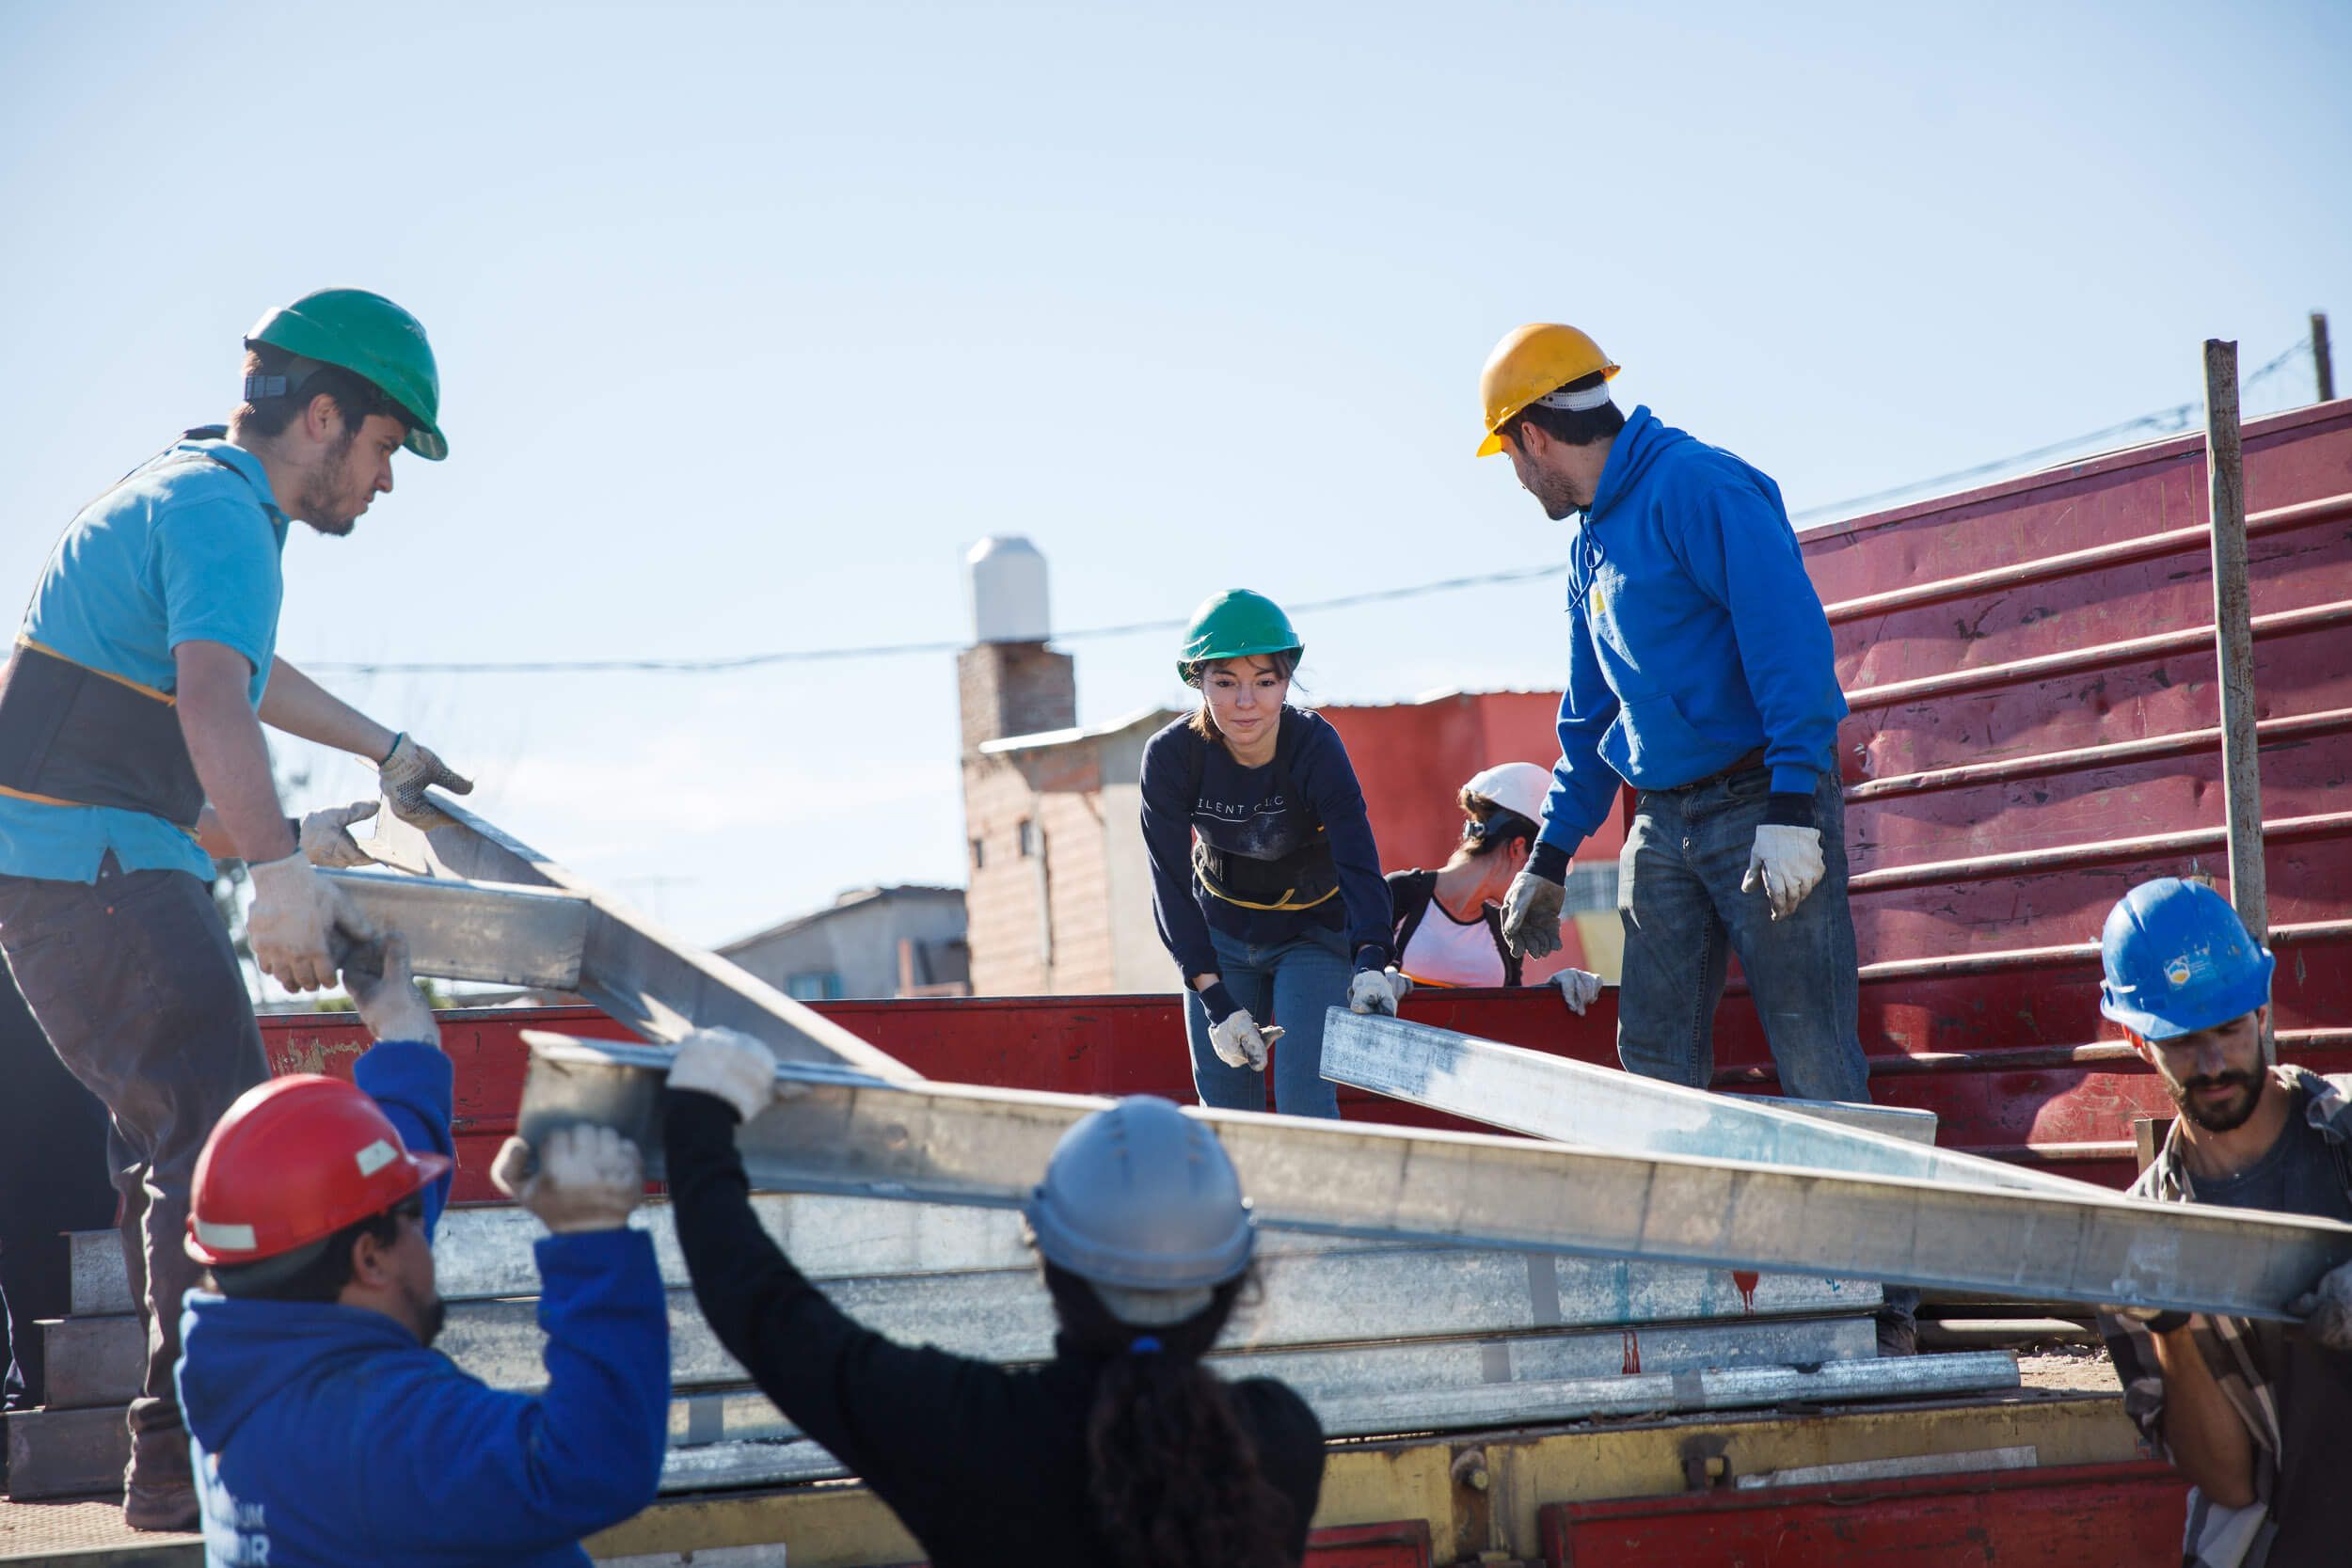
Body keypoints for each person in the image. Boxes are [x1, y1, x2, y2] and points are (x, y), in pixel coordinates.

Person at [0, 289, 474, 1528]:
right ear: (321, 415)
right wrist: (273, 867)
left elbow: (227, 679)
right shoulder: (222, 512)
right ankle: (183, 1462)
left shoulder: (191, 490)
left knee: (184, 1133)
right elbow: (213, 698)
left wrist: (385, 750)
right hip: (90, 872)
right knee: (213, 1143)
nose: (383, 482)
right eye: (380, 448)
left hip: (92, 859)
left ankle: (175, 1452)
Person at [660, 1026, 1326, 1568]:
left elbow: (769, 1316)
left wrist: (698, 1114)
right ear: (1235, 1280)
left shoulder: (971, 1434)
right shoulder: (1282, 1437)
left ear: (1049, 1263)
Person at [176, 935, 671, 1566]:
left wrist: (405, 1044)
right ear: (371, 1260)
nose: (425, 1231)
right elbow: (591, 1463)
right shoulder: (380, 1434)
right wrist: (592, 1237)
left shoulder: (240, 1382)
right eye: (413, 1218)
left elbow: (349, 1227)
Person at [1473, 323, 1868, 1109]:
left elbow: (1789, 645)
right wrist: (1549, 858)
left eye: (1512, 460)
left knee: (1814, 1053)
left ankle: (1867, 1232)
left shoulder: (1699, 487)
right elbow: (1587, 723)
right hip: (1661, 822)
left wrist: (1793, 805)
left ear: (1534, 437)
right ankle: (1665, 1234)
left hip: (1765, 806)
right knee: (1651, 1063)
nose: (1517, 480)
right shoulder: (1589, 546)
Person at [2093, 878, 2352, 1568]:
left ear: (2262, 1010)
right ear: (2134, 1038)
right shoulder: (2136, 1239)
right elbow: (2228, 1482)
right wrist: (2169, 1316)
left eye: (2229, 1028)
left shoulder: (2347, 1136)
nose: (2211, 1064)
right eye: (2180, 1040)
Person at [1137, 591, 1407, 1118]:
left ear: (1287, 681)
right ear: (1198, 681)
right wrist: (1216, 1004)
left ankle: (1312, 1205)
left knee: (1305, 1103)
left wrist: (1374, 959)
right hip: (1220, 933)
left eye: (1265, 682)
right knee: (1227, 1110)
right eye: (1225, 682)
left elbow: (1358, 859)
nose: (1246, 702)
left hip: (1312, 932)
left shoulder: (1316, 746)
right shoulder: (1170, 756)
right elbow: (1168, 885)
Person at [1384, 761, 1604, 1011]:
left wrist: (1552, 994)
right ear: (1518, 848)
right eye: (1538, 872)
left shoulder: (1503, 931)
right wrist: (1376, 974)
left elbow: (1508, 1017)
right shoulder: (1400, 894)